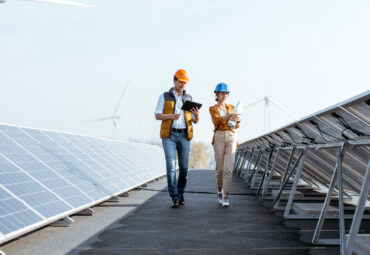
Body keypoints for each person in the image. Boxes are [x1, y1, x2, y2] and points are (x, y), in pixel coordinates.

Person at [154, 69, 200, 208]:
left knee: (184, 168)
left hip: (185, 135)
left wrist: (197, 116)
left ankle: (180, 193)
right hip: (169, 135)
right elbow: (157, 115)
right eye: (180, 81)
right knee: (171, 167)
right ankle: (174, 196)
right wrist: (171, 116)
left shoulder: (189, 98)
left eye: (184, 82)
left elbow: (194, 120)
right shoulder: (164, 96)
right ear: (174, 80)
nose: (182, 84)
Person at [209, 83, 240, 207]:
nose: (224, 95)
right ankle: (219, 190)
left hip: (231, 136)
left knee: (229, 169)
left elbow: (236, 125)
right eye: (222, 93)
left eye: (226, 93)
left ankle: (226, 195)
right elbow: (216, 120)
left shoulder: (232, 107)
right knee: (220, 169)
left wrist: (236, 120)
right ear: (216, 94)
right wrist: (229, 116)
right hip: (219, 136)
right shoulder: (213, 108)